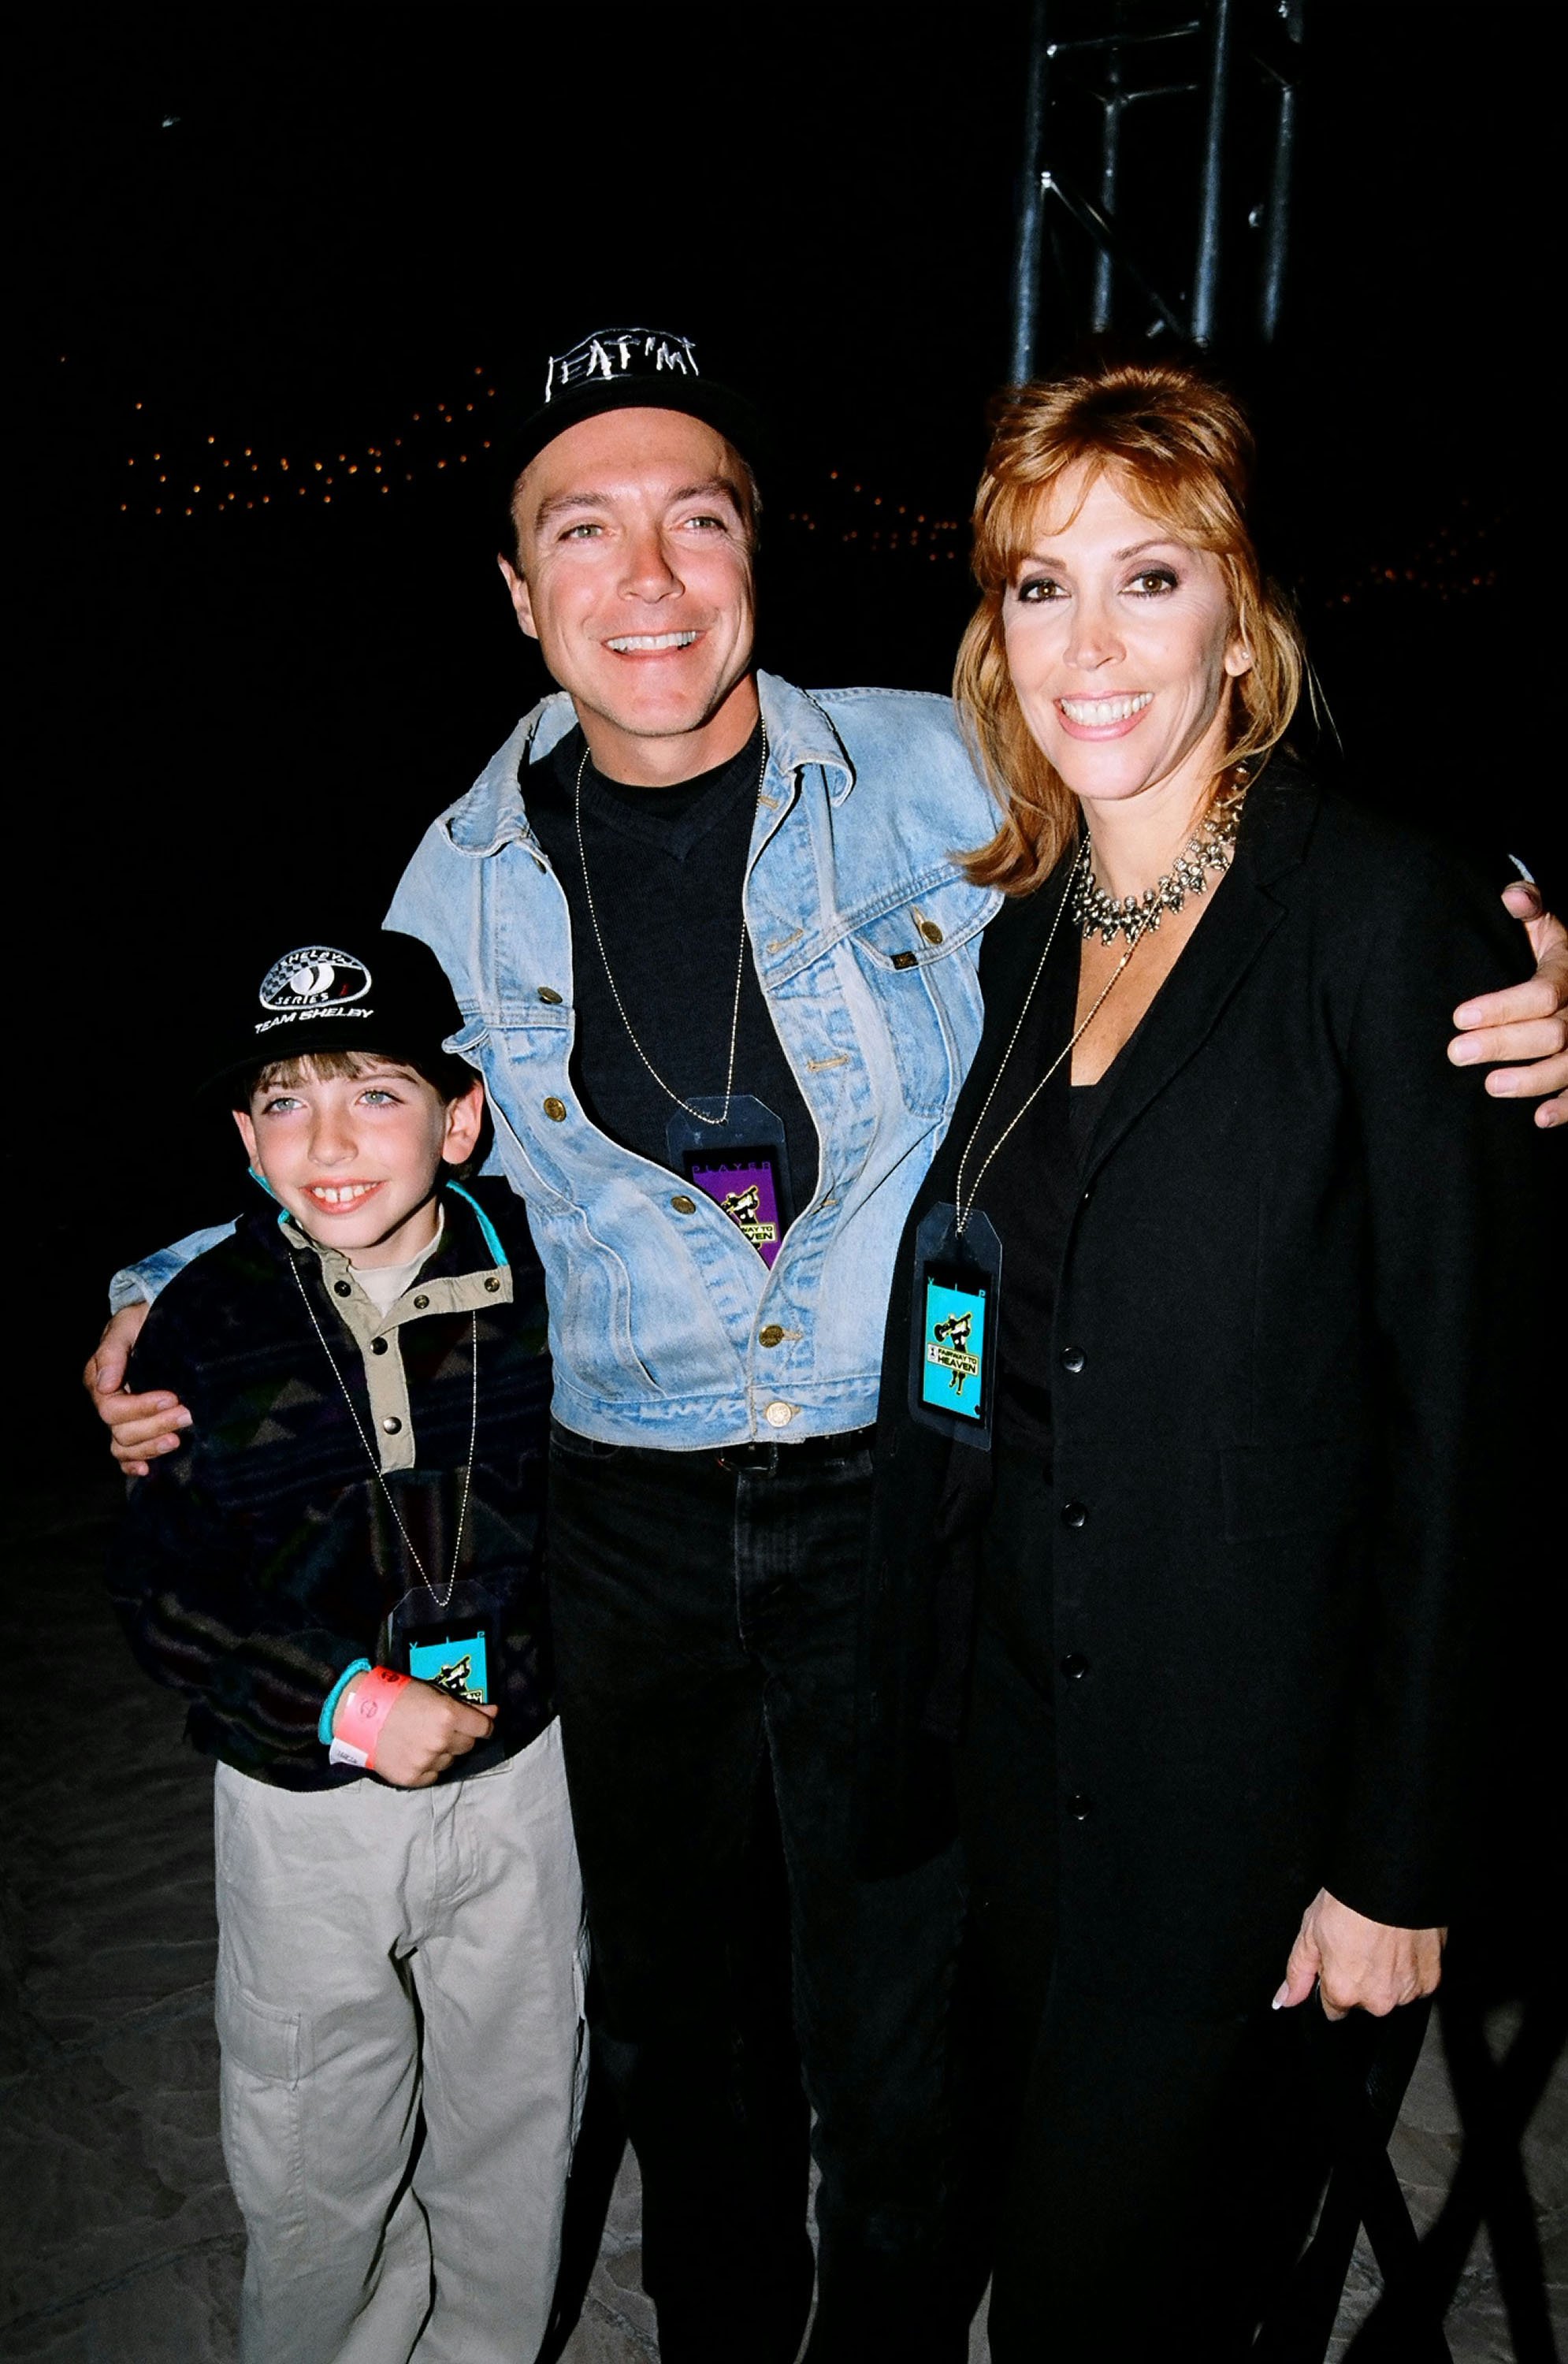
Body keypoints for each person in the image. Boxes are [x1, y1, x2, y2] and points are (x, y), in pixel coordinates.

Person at [84, 329, 1567, 2362]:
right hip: (625, 1516)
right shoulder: (458, 870)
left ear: (755, 553)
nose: (650, 579)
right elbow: (356, 1126)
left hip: (907, 1499)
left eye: (696, 518)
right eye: (579, 534)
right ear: (519, 598)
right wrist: (164, 1294)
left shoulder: (952, 768)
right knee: (684, 2038)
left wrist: (1517, 934)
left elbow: (1249, 838)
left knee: (902, 2040)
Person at [857, 357, 1559, 2358]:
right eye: (1036, 586)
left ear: (1240, 617)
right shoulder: (1025, 927)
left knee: (1104, 2303)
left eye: (1146, 580)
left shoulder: (1387, 915)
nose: (1088, 644)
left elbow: (1464, 1422)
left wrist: (1395, 1853)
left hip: (1241, 1785)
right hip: (1020, 1750)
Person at [106, 924, 585, 2364]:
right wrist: (337, 1700)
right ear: (244, 1139)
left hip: (523, 1776)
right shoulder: (207, 1319)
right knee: (317, 2127)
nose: (331, 1140)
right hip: (302, 1803)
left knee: (519, 2101)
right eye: (283, 1102)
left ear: (460, 1115)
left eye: (375, 1092)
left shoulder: (546, 1275)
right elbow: (160, 1589)